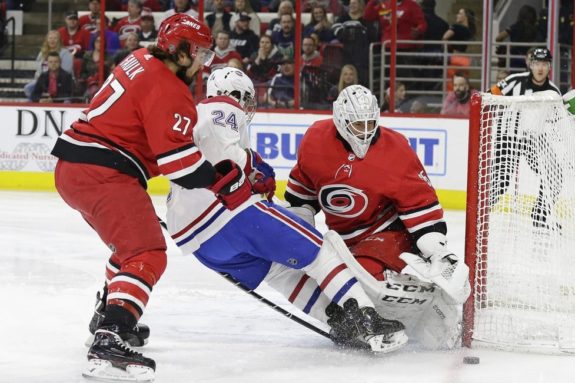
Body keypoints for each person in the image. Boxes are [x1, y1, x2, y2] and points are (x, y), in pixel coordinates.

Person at [166, 67, 408, 354]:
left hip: (196, 240)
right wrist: (253, 166)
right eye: (244, 97)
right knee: (319, 250)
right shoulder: (221, 106)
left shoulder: (193, 120)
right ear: (231, 94)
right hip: (228, 214)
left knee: (279, 271)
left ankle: (338, 322)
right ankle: (367, 318)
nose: (245, 104)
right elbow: (226, 156)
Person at [50, 14, 231, 381]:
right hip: (102, 172)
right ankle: (110, 337)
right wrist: (222, 179)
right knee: (146, 252)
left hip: (75, 167)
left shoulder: (139, 61)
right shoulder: (169, 88)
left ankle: (108, 314)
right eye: (199, 52)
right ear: (179, 51)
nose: (202, 62)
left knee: (127, 248)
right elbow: (180, 166)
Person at [284, 85, 470, 349]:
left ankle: (420, 310)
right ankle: (358, 320)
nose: (365, 131)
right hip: (345, 240)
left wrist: (436, 251)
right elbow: (302, 194)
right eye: (358, 124)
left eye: (370, 123)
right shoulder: (315, 140)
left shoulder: (396, 149)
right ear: (340, 119)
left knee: (364, 275)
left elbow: (421, 205)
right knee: (325, 276)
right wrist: (298, 231)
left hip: (387, 230)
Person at [489, 47, 562, 230]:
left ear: (549, 67)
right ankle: (479, 211)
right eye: (537, 63)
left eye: (544, 64)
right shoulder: (515, 80)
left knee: (554, 176)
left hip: (532, 140)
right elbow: (489, 96)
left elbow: (555, 120)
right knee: (501, 182)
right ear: (530, 64)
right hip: (508, 137)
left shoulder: (553, 92)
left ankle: (540, 215)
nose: (540, 68)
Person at [24, 30, 74, 100]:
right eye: (50, 38)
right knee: (29, 89)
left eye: (55, 38)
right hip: (44, 79)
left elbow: (66, 71)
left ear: (59, 40)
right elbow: (38, 70)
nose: (52, 40)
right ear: (47, 40)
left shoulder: (65, 53)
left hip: (60, 80)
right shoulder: (42, 53)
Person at [495, 5, 541, 72]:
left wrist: (505, 46)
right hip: (530, 59)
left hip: (514, 59)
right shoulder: (536, 29)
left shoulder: (515, 26)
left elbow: (498, 38)